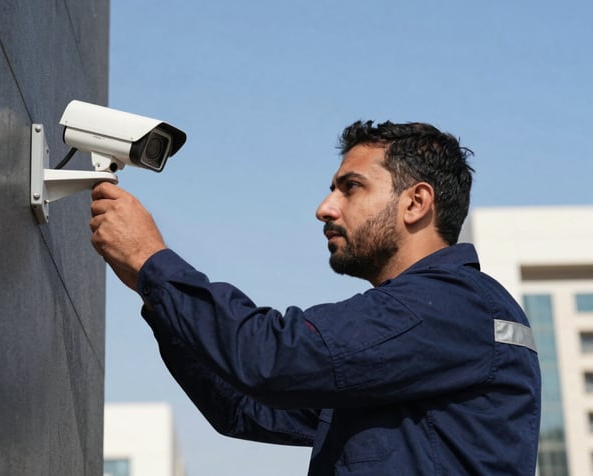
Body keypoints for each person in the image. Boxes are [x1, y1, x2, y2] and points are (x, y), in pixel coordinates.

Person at [89, 120, 540, 475]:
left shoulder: (449, 306)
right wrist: (153, 290)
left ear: (416, 203)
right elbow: (244, 408)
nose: (325, 207)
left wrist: (153, 261)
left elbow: (272, 357)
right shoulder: (416, 346)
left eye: (351, 187)